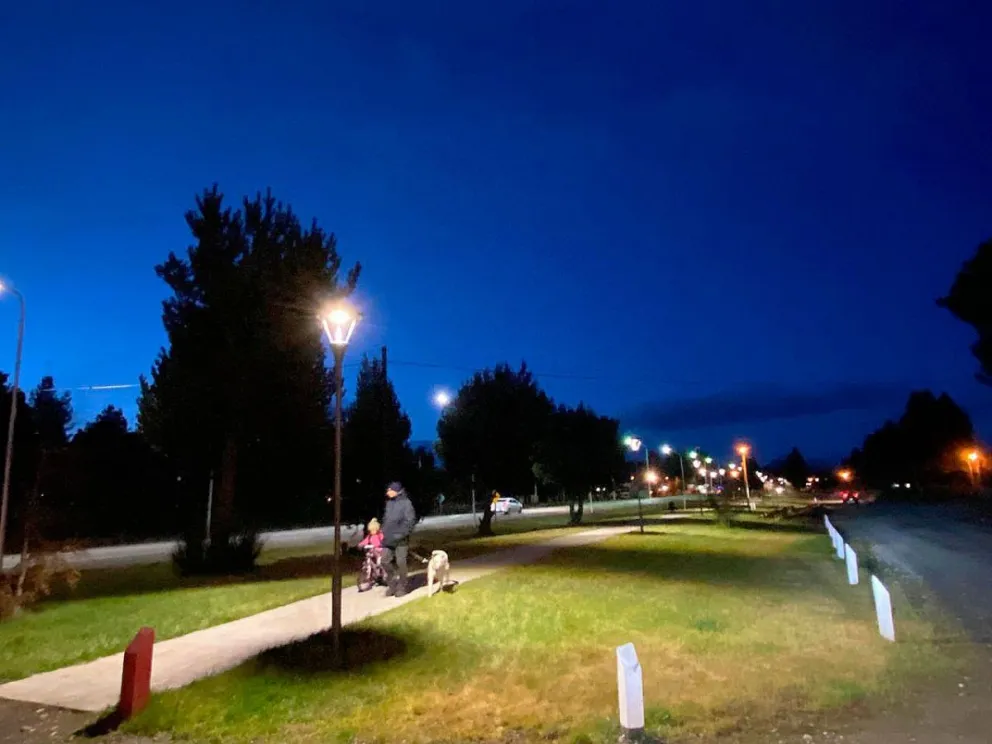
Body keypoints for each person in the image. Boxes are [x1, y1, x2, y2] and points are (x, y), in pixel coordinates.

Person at [380, 481, 417, 597]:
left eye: (390, 490)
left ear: (397, 491)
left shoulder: (406, 503)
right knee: (384, 561)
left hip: (401, 540)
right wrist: (384, 531)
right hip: (388, 539)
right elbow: (386, 519)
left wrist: (400, 534)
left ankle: (402, 587)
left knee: (401, 562)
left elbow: (410, 522)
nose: (387, 492)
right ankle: (392, 585)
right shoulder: (389, 504)